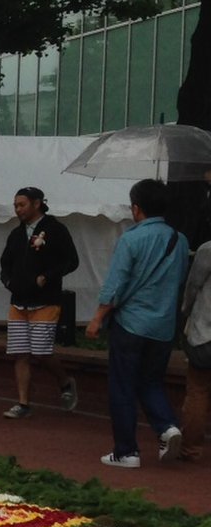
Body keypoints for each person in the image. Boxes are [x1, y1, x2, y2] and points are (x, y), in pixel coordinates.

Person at [87, 179, 189, 468]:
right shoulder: (178, 239)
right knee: (151, 381)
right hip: (163, 325)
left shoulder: (131, 239)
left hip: (131, 322)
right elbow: (179, 280)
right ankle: (167, 427)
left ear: (136, 208)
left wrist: (97, 318)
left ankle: (126, 451)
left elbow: (115, 285)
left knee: (122, 386)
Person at [0, 185, 79, 419]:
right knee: (20, 352)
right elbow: (5, 263)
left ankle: (65, 381)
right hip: (18, 301)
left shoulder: (55, 230)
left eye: (22, 205)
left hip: (46, 301)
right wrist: (7, 280)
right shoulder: (16, 234)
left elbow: (72, 260)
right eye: (15, 205)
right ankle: (23, 403)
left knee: (41, 352)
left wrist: (48, 276)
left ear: (37, 203)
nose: (18, 210)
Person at [178, 232, 211, 462]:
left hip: (206, 331)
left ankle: (191, 448)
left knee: (198, 391)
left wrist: (185, 311)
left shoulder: (208, 249)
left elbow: (193, 285)